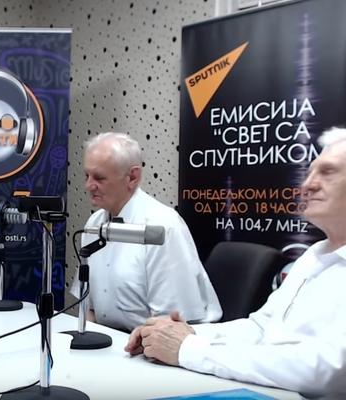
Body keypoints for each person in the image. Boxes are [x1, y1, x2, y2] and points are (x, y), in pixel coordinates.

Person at [124, 127, 346, 398]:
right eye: (310, 172)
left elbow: (324, 372)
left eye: (327, 172)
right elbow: (260, 328)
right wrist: (179, 334)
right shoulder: (313, 256)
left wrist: (189, 349)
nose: (307, 184)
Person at [72, 132, 221, 332]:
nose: (88, 186)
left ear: (132, 177)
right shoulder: (94, 223)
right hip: (113, 341)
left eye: (99, 178)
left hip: (160, 343)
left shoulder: (162, 227)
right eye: (87, 176)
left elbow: (171, 324)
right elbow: (88, 308)